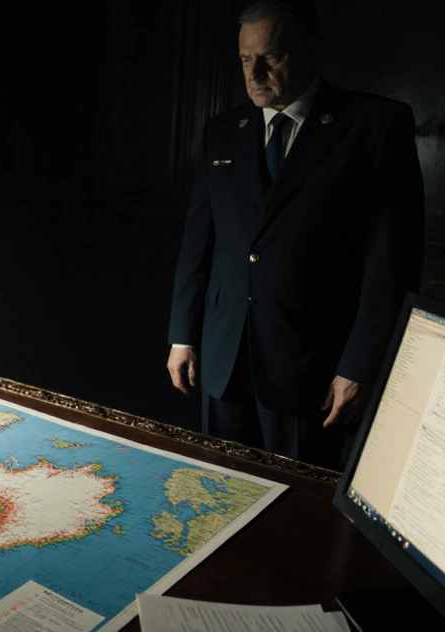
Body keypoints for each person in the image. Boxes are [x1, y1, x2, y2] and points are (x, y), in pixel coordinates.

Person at [165, 0, 424, 470]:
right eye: (245, 59)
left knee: (296, 509)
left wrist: (362, 365)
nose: (255, 72)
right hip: (224, 356)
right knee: (219, 489)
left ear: (311, 52)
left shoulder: (374, 125)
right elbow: (198, 242)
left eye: (272, 56)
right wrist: (183, 334)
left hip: (312, 366)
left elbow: (393, 261)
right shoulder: (222, 131)